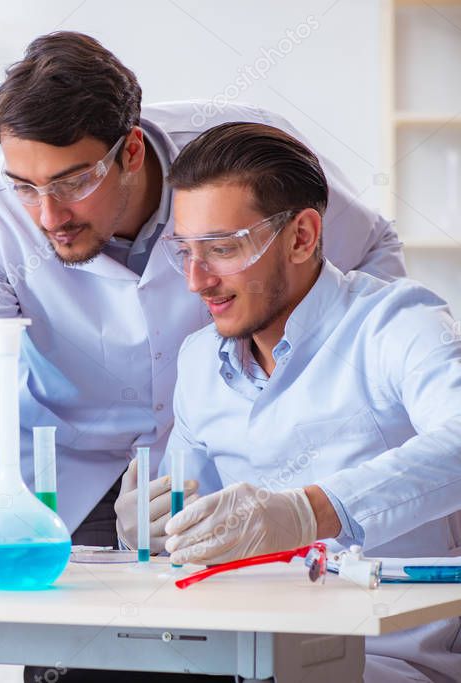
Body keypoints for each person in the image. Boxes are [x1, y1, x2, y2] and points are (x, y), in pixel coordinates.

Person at [0, 31, 404, 550]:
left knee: (225, 626)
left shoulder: (237, 160)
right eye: (26, 188)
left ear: (131, 151)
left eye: (74, 182)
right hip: (62, 475)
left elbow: (370, 248)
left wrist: (317, 404)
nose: (48, 215)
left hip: (224, 463)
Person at [155, 122, 460, 682]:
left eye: (222, 249)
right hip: (239, 655)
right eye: (185, 251)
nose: (197, 281)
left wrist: (312, 512)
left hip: (381, 659)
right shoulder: (199, 360)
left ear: (301, 236)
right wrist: (157, 527)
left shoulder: (395, 324)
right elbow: (190, 517)